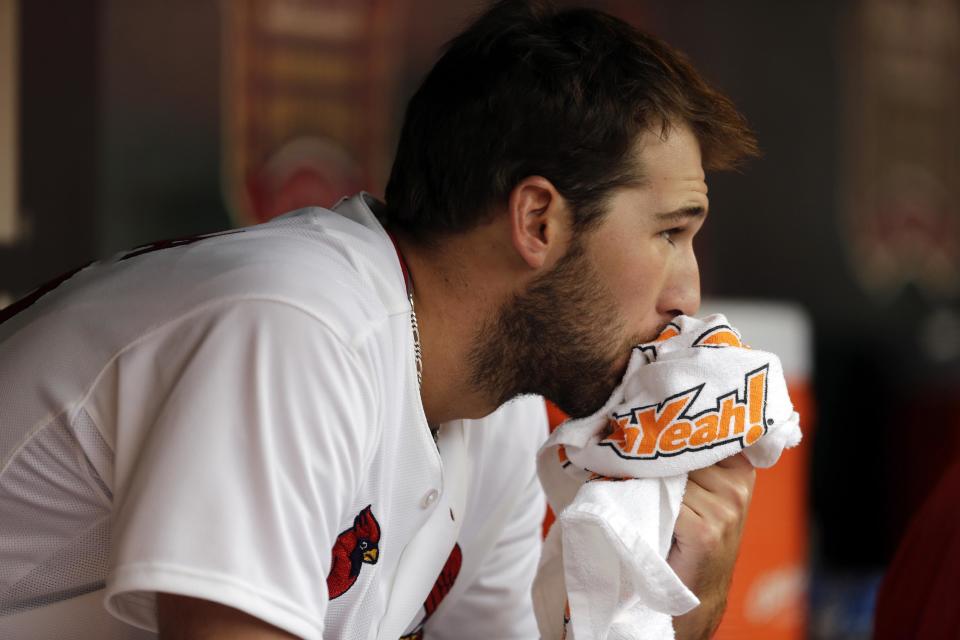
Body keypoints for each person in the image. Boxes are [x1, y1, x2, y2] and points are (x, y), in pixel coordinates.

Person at [0, 1, 759, 638]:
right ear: (537, 221)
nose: (687, 297)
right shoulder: (302, 327)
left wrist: (673, 610)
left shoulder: (496, 415)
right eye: (669, 233)